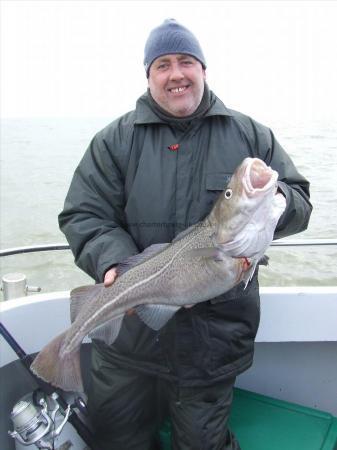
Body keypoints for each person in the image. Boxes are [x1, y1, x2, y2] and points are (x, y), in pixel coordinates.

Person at [59, 19, 312, 450]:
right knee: (119, 439)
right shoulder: (114, 141)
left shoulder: (249, 134)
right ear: (149, 75)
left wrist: (277, 201)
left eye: (186, 61)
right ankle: (61, 355)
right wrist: (116, 263)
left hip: (211, 345)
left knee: (201, 444)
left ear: (203, 69)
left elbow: (300, 200)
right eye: (163, 64)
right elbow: (85, 213)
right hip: (128, 343)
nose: (176, 73)